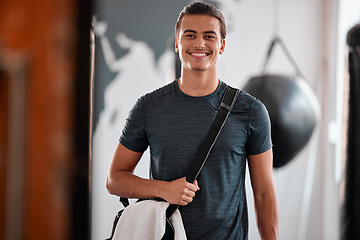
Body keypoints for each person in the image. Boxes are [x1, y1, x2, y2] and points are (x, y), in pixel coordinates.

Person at [106, 2, 279, 239]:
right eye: (190, 35)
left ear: (222, 46)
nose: (199, 44)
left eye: (209, 36)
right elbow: (115, 178)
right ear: (177, 43)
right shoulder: (148, 107)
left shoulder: (250, 110)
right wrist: (164, 189)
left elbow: (264, 193)